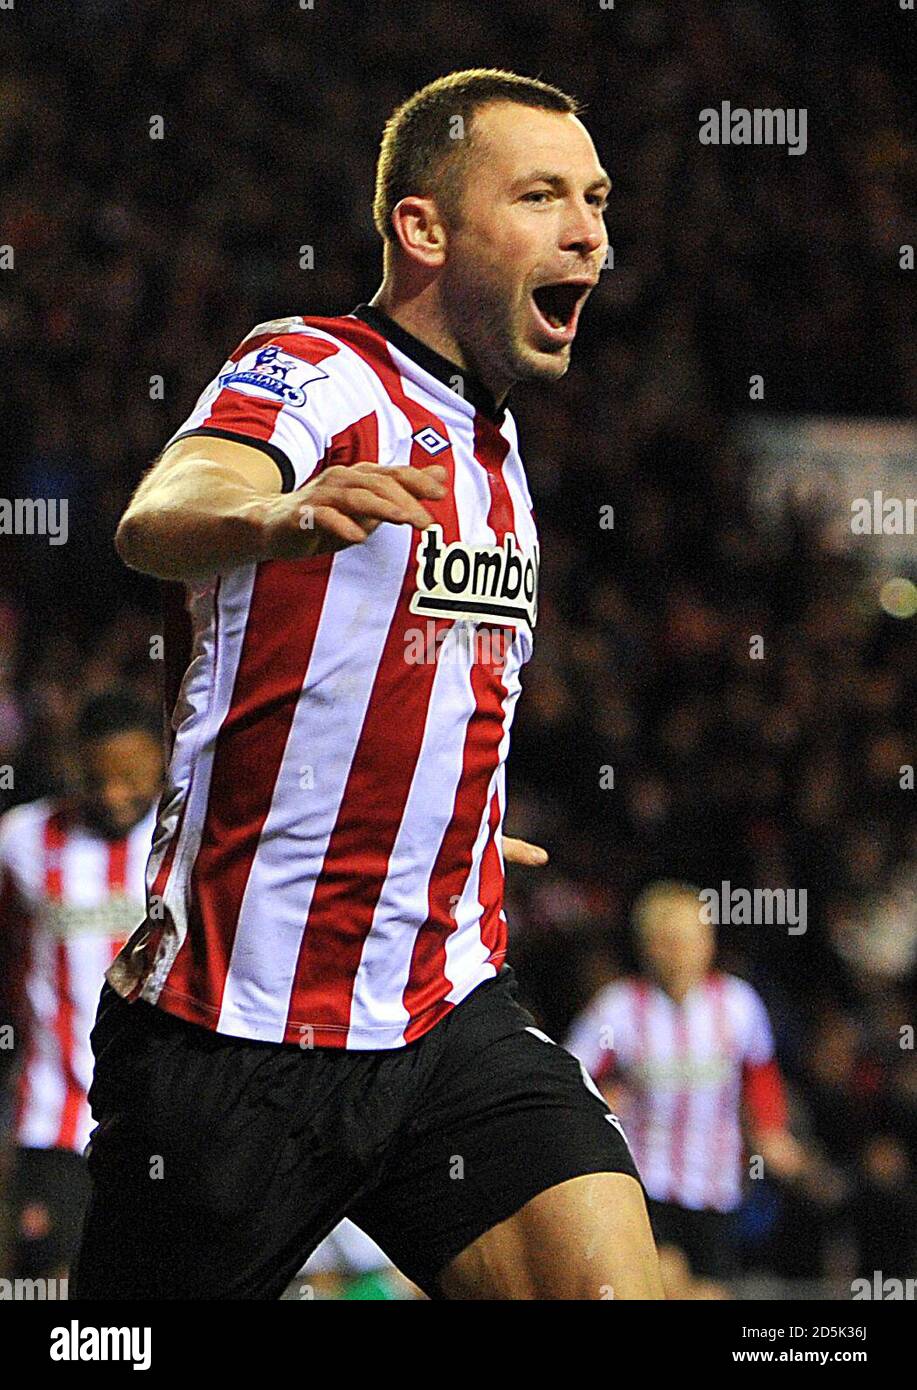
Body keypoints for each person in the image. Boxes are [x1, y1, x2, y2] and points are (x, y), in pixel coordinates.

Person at [73, 68, 663, 1301]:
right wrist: (277, 515)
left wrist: (446, 827)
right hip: (233, 1035)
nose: (589, 235)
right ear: (423, 228)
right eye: (544, 194)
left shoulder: (498, 452)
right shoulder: (318, 366)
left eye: (597, 201)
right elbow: (160, 512)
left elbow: (403, 680)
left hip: (445, 1005)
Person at [565, 881, 809, 1287]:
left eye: (694, 940)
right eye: (670, 942)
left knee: (710, 1291)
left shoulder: (737, 1003)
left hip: (716, 1185)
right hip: (645, 1182)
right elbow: (570, 1076)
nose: (683, 953)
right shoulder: (620, 1007)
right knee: (664, 1281)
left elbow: (760, 1075)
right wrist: (599, 1106)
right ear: (649, 947)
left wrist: (771, 1130)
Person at [0, 690, 161, 1285]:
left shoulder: (185, 843)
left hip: (161, 1114)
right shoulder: (21, 839)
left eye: (131, 778)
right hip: (53, 1113)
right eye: (99, 778)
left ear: (160, 763)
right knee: (43, 1282)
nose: (115, 793)